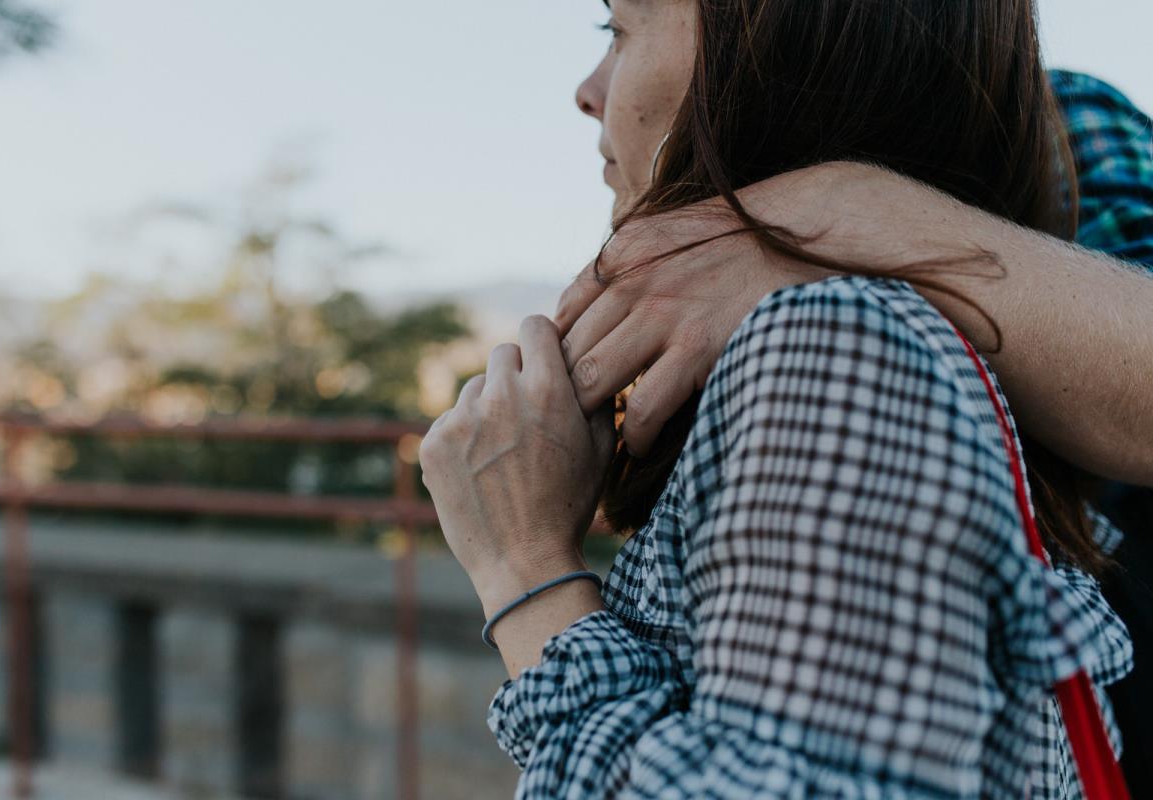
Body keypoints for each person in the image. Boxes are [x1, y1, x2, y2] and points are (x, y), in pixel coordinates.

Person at [417, 1, 1141, 797]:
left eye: (617, 28)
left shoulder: (836, 343)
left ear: (766, 46)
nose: (587, 91)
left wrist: (528, 573)